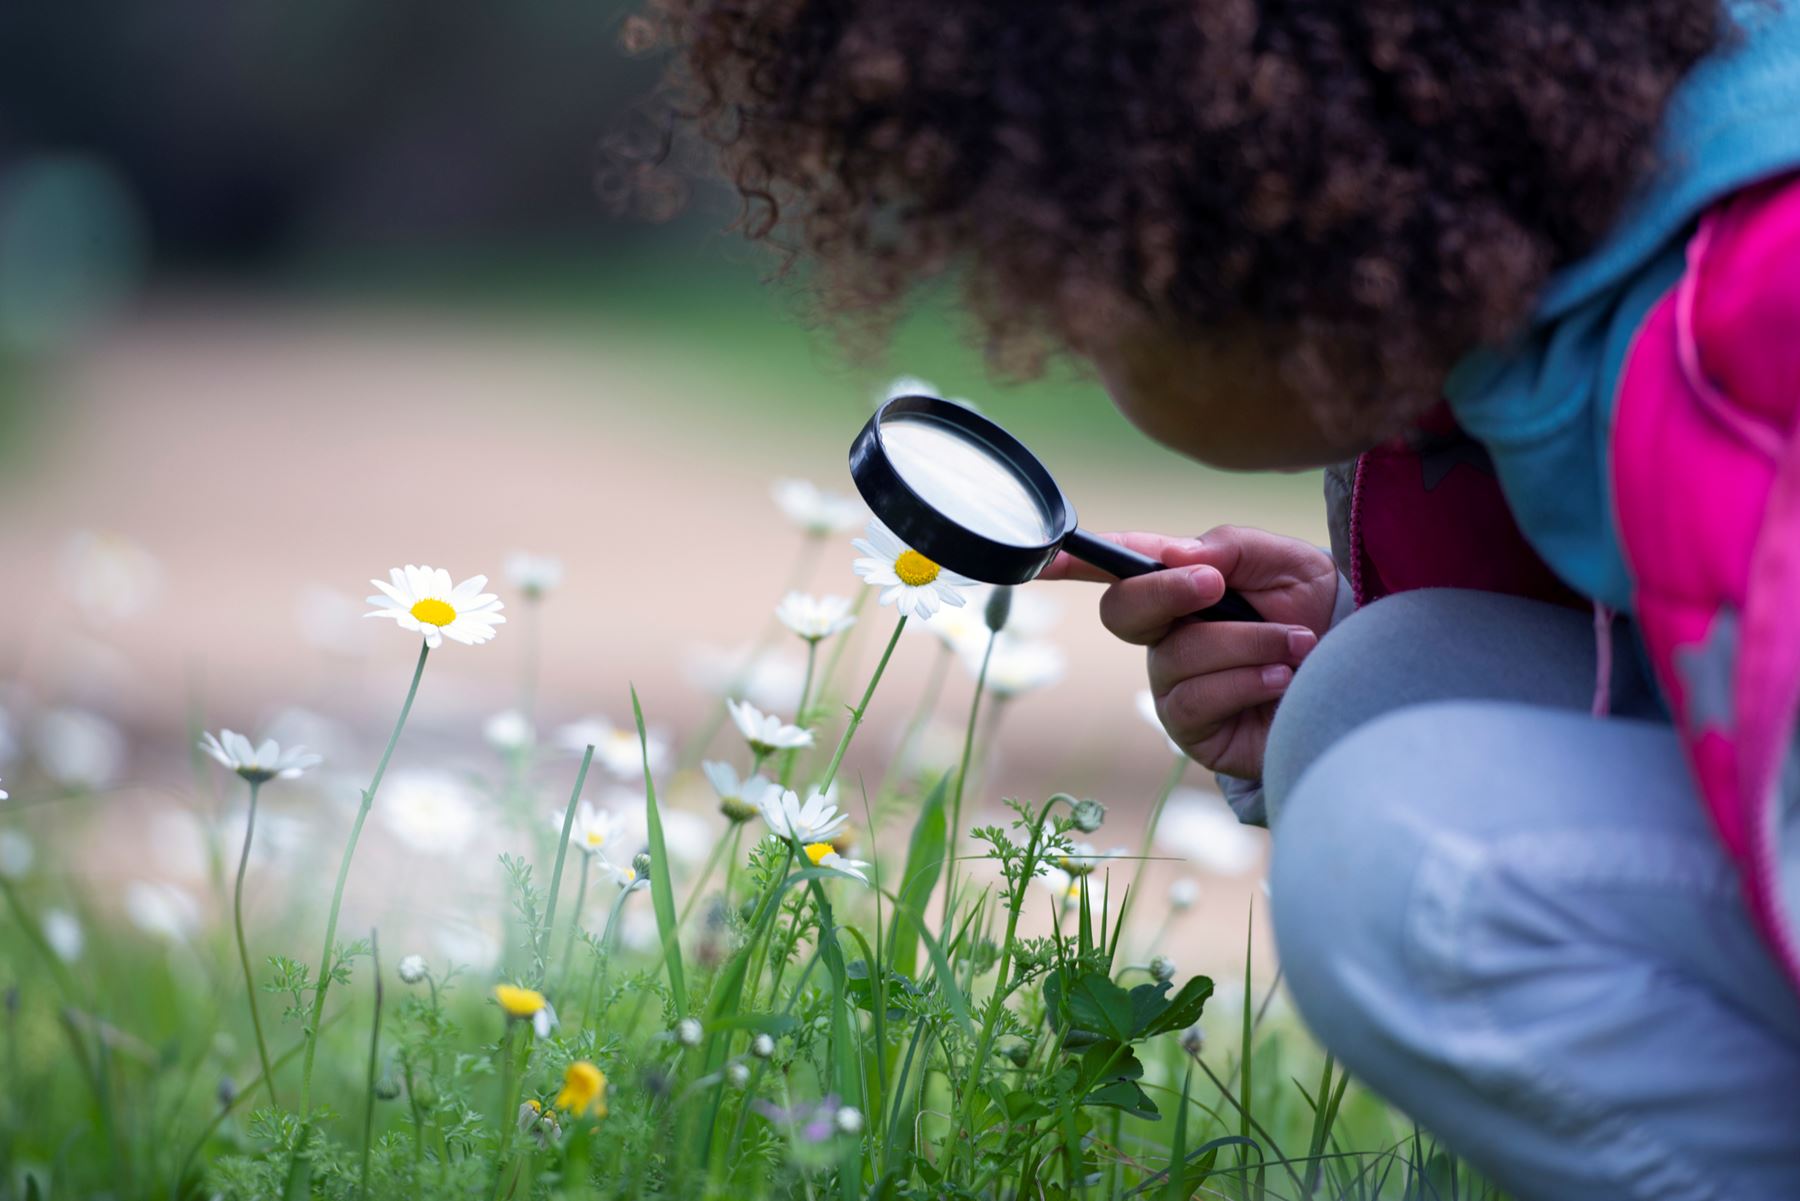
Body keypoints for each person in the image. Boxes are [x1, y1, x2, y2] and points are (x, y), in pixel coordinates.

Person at [649, 1, 1800, 1196]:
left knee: (1405, 855)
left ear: (1236, 201)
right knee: (1378, 689)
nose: (1052, 330)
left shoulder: (1757, 346)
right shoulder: (1553, 265)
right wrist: (1337, 636)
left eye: (1067, 275)